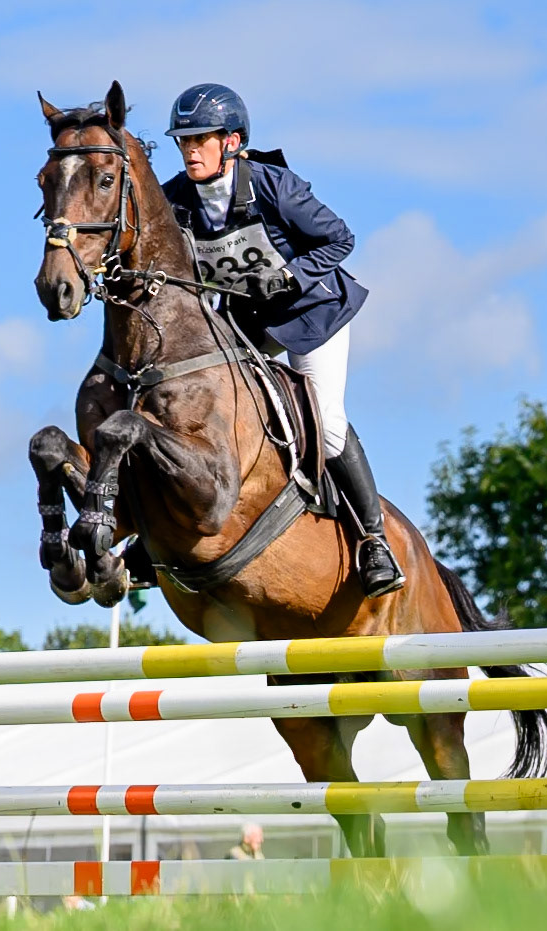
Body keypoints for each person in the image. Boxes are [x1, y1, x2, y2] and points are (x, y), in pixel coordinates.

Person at [160, 82, 403, 598]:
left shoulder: (275, 185)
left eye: (200, 139)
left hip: (313, 313)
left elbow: (340, 238)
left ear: (232, 141)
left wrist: (292, 275)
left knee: (329, 428)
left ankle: (374, 540)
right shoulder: (176, 197)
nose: (189, 150)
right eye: (183, 141)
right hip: (249, 316)